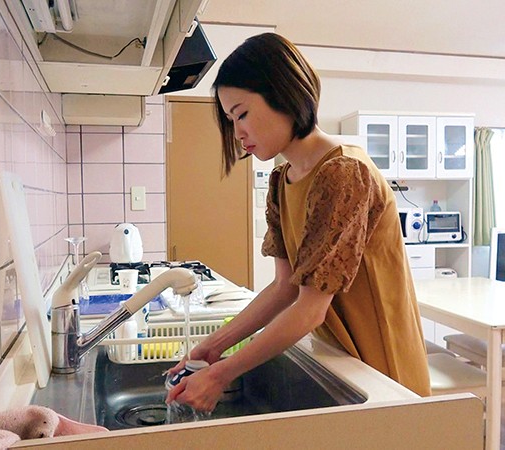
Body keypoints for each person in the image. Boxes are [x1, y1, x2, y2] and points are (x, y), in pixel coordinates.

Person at [166, 33, 431, 412]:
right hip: (341, 361)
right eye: (230, 120)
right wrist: (212, 347)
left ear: (284, 94)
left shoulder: (344, 172)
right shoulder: (281, 182)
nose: (237, 132)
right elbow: (283, 287)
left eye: (242, 114)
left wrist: (222, 374)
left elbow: (311, 308)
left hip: (382, 369)